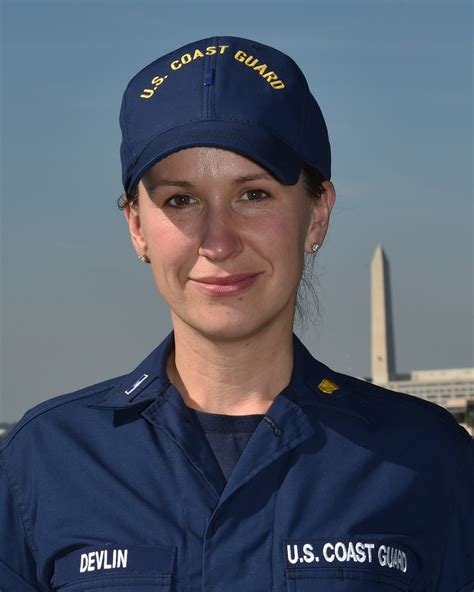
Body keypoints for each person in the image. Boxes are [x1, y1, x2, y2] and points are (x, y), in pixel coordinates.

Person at [1, 35, 472, 592]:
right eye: (180, 199)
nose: (218, 242)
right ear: (136, 226)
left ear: (316, 214)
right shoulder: (43, 462)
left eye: (253, 194)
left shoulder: (428, 460)